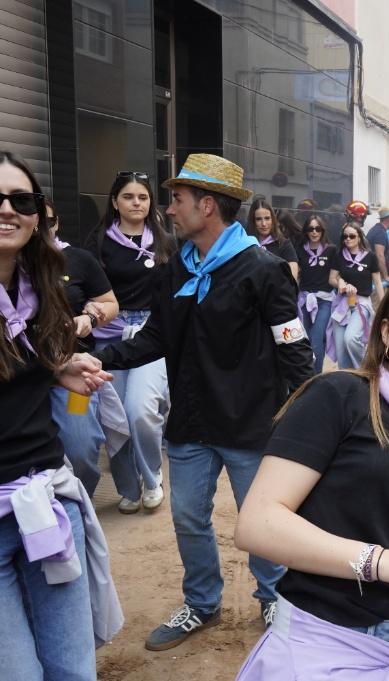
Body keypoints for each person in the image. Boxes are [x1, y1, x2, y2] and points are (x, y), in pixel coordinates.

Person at [89, 154, 315, 651]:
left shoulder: (265, 270)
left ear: (207, 206)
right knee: (189, 517)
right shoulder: (175, 272)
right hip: (190, 425)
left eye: (177, 200)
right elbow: (154, 339)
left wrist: (306, 422)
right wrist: (93, 358)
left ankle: (274, 595)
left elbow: (294, 350)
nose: (168, 210)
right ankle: (202, 602)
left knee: (264, 521)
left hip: (252, 426)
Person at [234, 264, 389, 680]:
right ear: (385, 331)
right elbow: (257, 524)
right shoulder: (337, 396)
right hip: (324, 640)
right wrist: (385, 562)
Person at [0, 150, 123, 679]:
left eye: (20, 200)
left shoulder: (41, 287)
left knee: (73, 669)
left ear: (38, 214)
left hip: (47, 500)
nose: (7, 209)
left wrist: (57, 368)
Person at [85, 170, 176, 513]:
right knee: (114, 417)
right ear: (114, 202)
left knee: (140, 411)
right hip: (110, 335)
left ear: (150, 202)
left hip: (153, 334)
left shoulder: (166, 242)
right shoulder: (98, 243)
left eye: (142, 197)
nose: (136, 203)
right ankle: (128, 487)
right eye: (128, 197)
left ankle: (152, 476)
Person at [46, 197, 125, 498]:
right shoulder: (13, 265)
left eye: (48, 221)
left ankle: (80, 502)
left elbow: (111, 303)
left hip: (73, 372)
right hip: (24, 377)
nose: (41, 228)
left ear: (57, 223)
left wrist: (90, 317)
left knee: (81, 446)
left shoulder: (78, 259)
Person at [327, 223, 382, 369]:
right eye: (345, 236)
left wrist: (384, 305)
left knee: (350, 339)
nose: (348, 239)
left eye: (352, 236)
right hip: (341, 304)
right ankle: (347, 382)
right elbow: (331, 279)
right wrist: (340, 282)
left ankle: (364, 370)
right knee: (341, 350)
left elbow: (378, 283)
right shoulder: (340, 256)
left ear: (359, 237)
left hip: (361, 303)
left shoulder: (370, 257)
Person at [297, 214, 337, 373]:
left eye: (317, 229)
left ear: (322, 230)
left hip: (324, 300)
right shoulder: (299, 249)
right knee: (304, 340)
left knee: (316, 338)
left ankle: (316, 377)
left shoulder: (331, 249)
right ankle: (306, 376)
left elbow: (337, 273)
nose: (314, 232)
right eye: (310, 229)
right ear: (306, 231)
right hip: (304, 299)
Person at [247, 198, 299, 281]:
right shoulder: (246, 244)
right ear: (253, 221)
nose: (264, 224)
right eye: (258, 219)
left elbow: (292, 280)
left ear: (273, 220)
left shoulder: (284, 244)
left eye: (267, 218)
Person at [365, 206, 389, 285]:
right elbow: (379, 255)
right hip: (376, 274)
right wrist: (385, 276)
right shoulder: (380, 232)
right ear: (388, 218)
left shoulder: (377, 229)